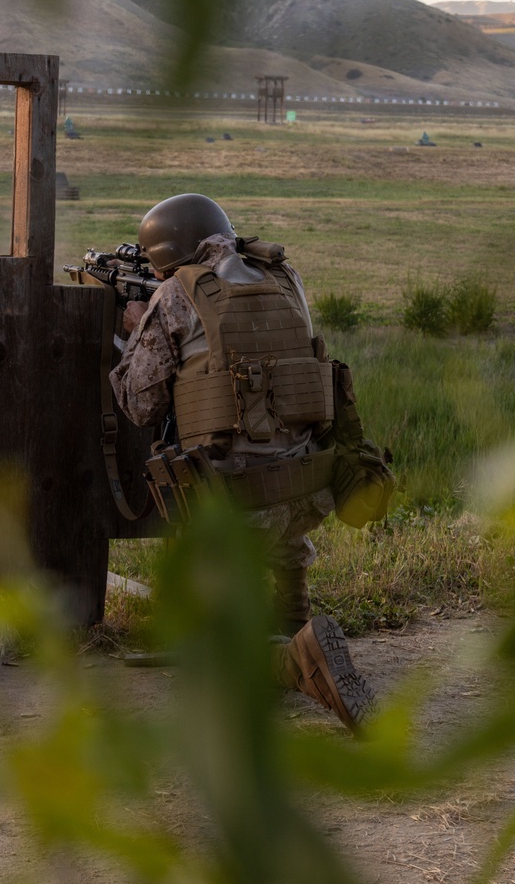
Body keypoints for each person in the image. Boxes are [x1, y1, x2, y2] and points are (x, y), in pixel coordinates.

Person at [109, 193, 393, 733]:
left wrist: (133, 330)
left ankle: (294, 661)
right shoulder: (287, 278)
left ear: (168, 254)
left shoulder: (173, 295)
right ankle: (293, 615)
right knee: (273, 475)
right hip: (312, 488)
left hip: (235, 503)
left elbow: (138, 402)